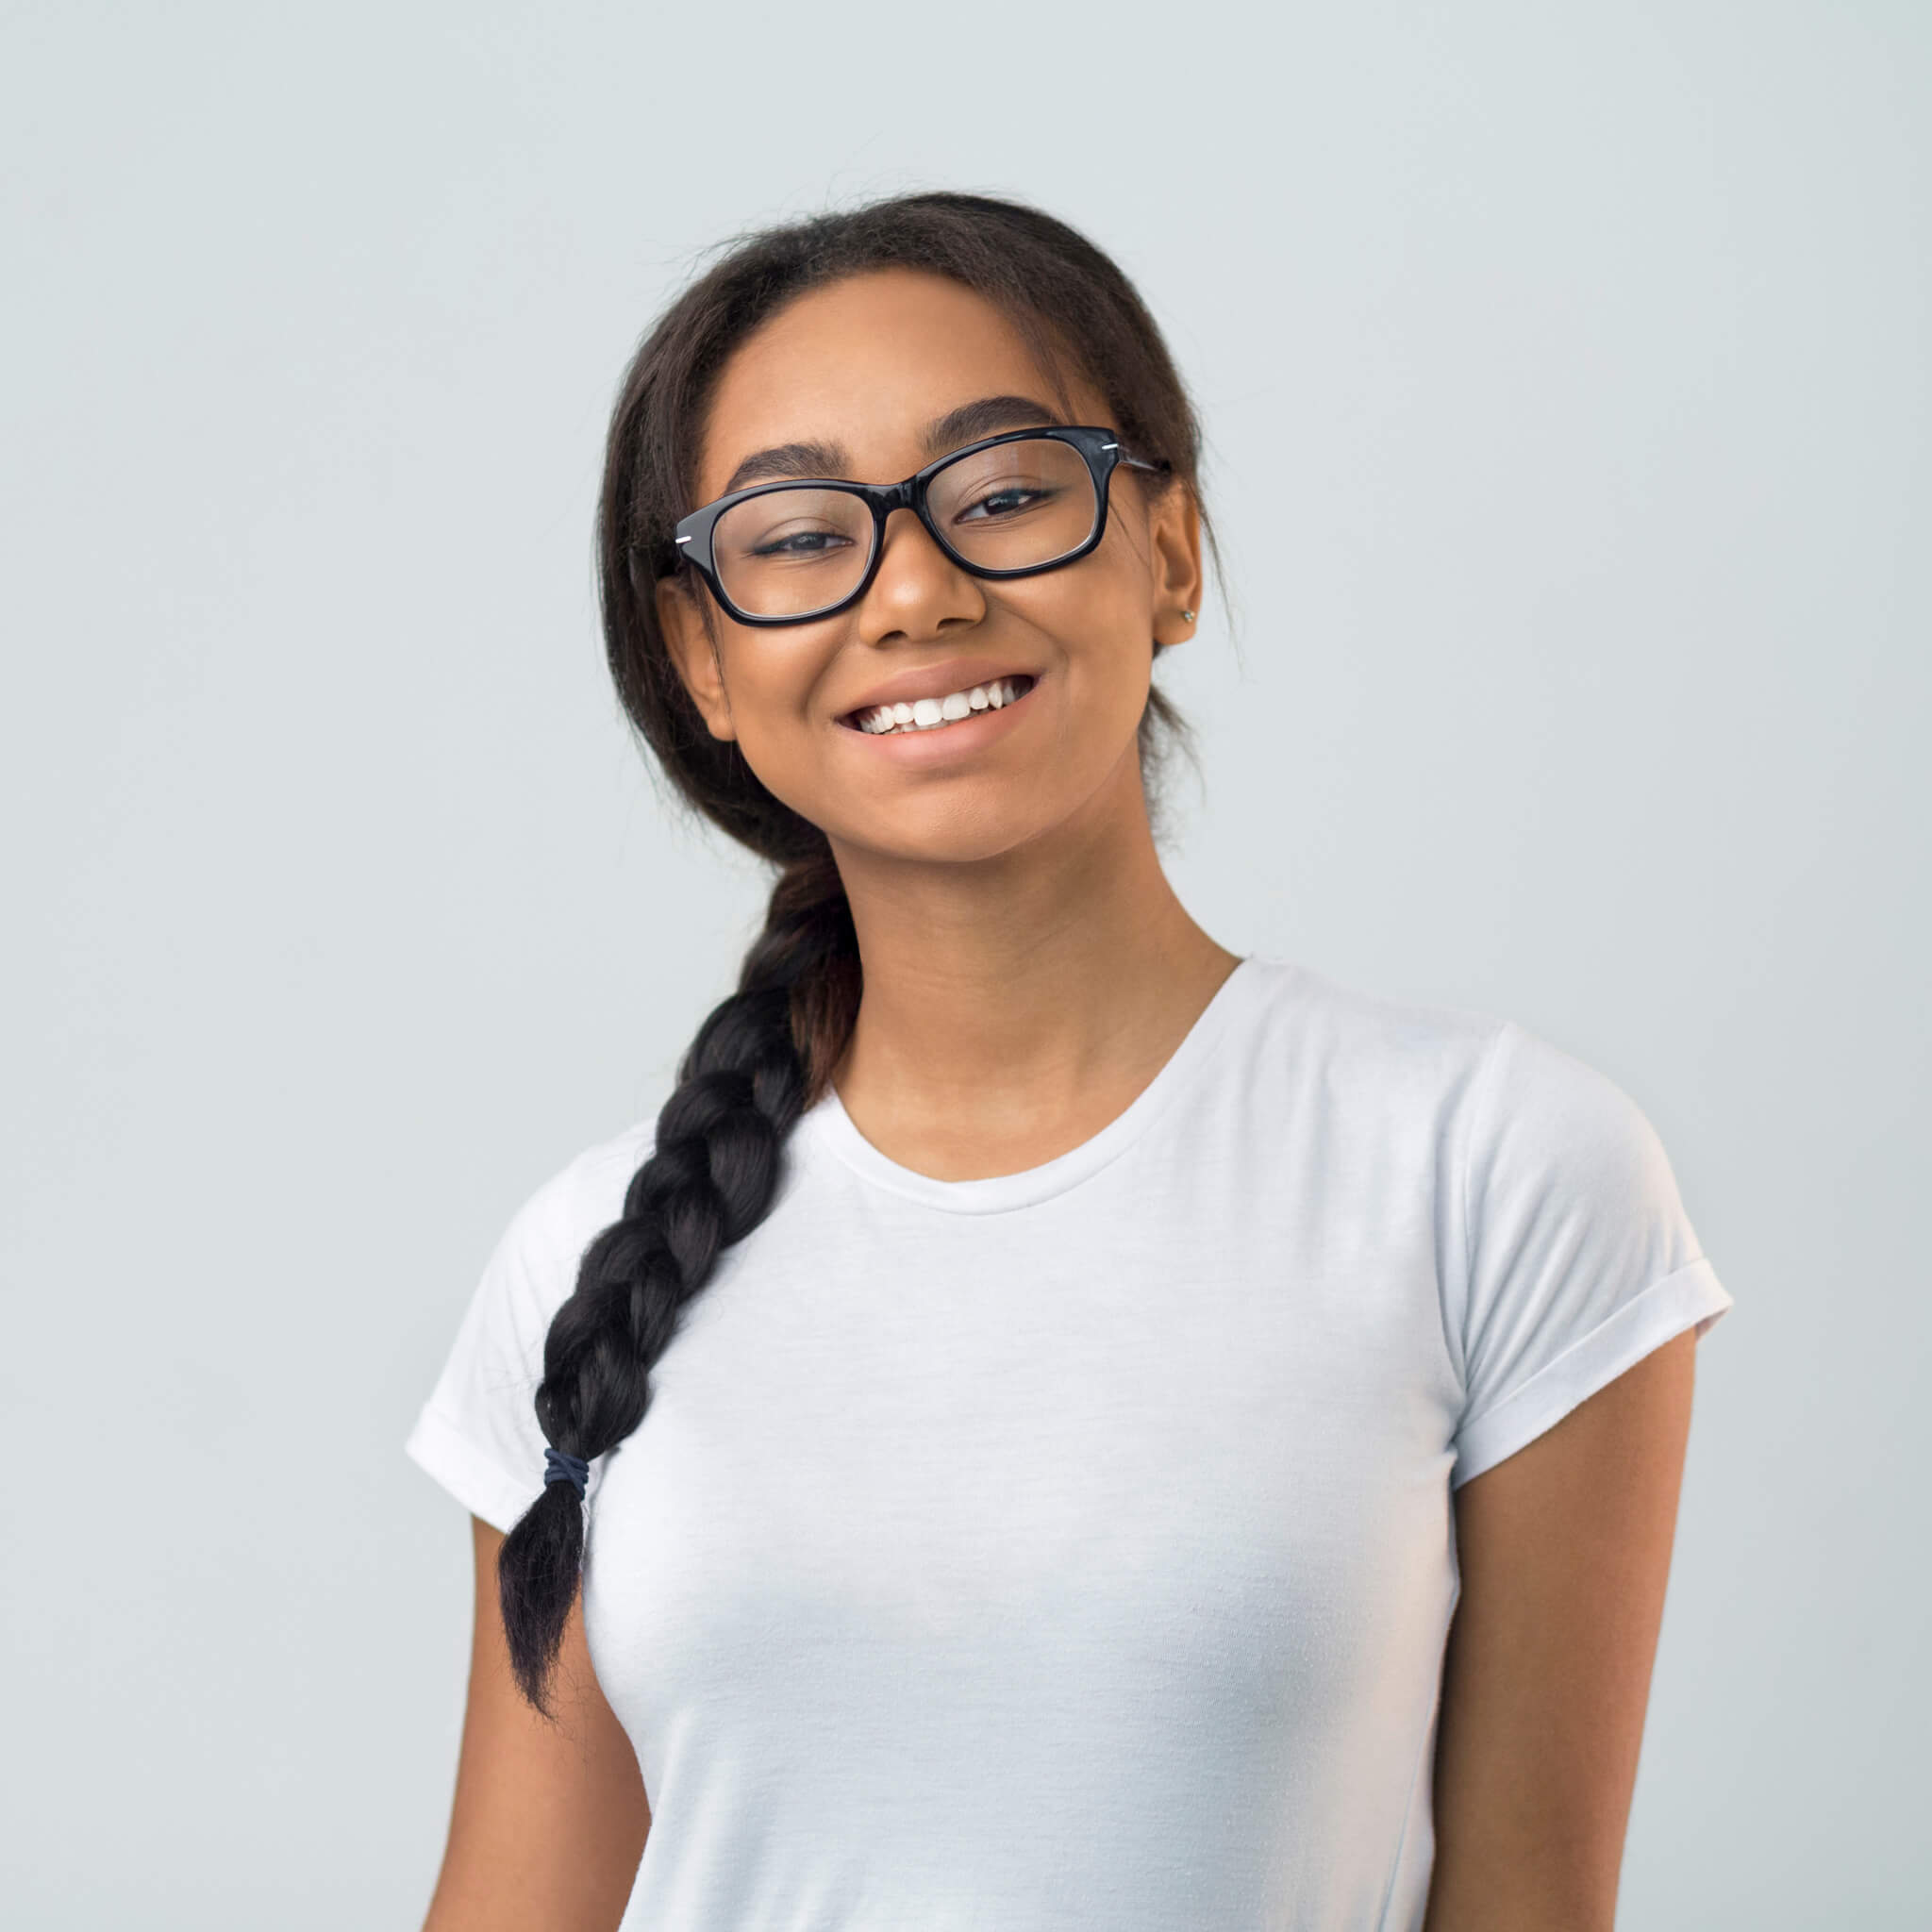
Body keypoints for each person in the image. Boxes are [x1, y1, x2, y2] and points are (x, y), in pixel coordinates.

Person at [405, 191, 1731, 1932]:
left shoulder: (1491, 1164)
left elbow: (1532, 1904)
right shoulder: (588, 1261)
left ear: (1167, 553)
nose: (917, 589)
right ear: (703, 655)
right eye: (802, 535)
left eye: (1007, 494)